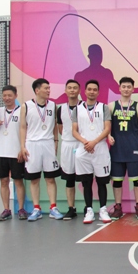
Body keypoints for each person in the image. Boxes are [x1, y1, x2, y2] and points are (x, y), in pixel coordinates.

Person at [19, 78, 64, 221]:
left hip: (48, 144)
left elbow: (55, 125)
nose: (48, 90)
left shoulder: (53, 105)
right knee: (34, 179)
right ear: (37, 90)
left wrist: (56, 141)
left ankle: (53, 208)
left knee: (50, 178)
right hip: (32, 145)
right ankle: (36, 208)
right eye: (46, 88)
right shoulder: (26, 106)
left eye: (49, 88)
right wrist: (22, 146)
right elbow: (23, 127)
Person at [72, 80, 112, 224]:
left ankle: (103, 210)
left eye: (95, 90)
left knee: (102, 182)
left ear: (98, 92)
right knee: (86, 182)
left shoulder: (104, 107)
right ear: (85, 91)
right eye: (89, 89)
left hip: (100, 148)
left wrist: (94, 142)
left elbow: (107, 128)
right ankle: (89, 210)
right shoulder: (77, 109)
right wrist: (85, 142)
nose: (92, 92)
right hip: (83, 149)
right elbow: (74, 131)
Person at [108, 77, 138, 220]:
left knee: (137, 179)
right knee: (117, 180)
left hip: (134, 147)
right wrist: (108, 136)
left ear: (132, 89)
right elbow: (106, 126)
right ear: (119, 88)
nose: (126, 89)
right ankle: (118, 207)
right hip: (117, 148)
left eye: (128, 87)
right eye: (123, 86)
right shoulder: (111, 106)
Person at [0, 85, 27, 221]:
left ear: (15, 96)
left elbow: (25, 131)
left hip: (16, 152)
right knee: (4, 181)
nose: (7, 98)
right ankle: (6, 209)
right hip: (0, 152)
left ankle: (21, 209)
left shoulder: (22, 111)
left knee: (18, 181)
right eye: (4, 95)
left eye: (9, 95)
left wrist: (22, 148)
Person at [56, 79, 80, 220]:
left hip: (82, 145)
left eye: (75, 88)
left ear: (79, 91)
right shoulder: (60, 109)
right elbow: (61, 129)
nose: (72, 90)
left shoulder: (84, 107)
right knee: (69, 178)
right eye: (69, 88)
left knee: (85, 178)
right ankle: (71, 208)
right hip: (67, 145)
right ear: (65, 90)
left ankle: (88, 207)